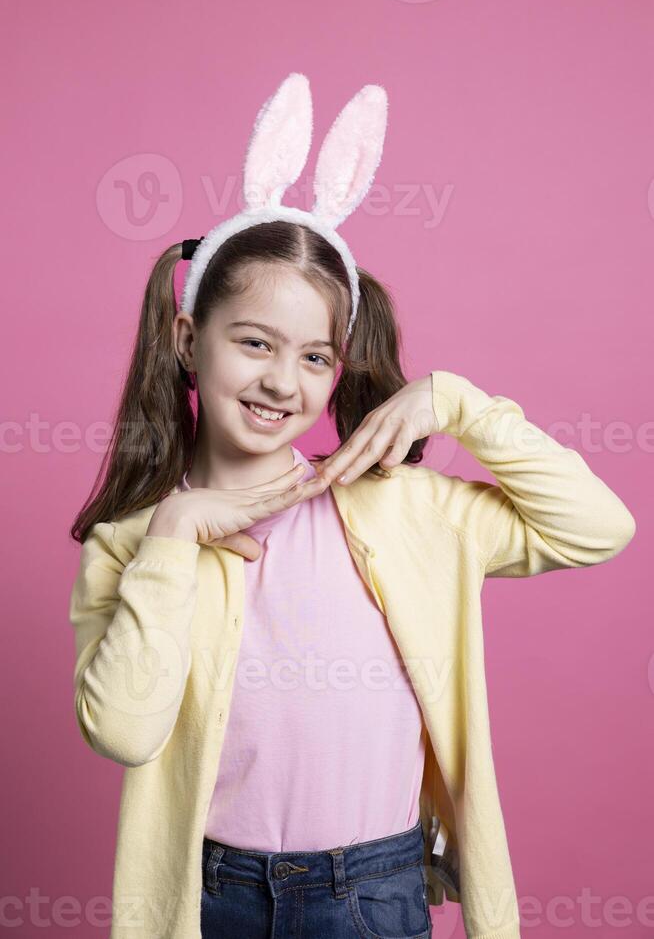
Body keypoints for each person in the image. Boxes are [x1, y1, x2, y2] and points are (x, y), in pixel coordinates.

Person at [68, 74, 636, 939]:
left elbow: (600, 526)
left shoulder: (402, 510)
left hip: (376, 888)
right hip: (212, 893)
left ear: (338, 369)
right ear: (189, 341)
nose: (279, 382)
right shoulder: (133, 545)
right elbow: (124, 732)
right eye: (253, 342)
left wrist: (455, 403)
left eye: (313, 358)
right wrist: (175, 533)